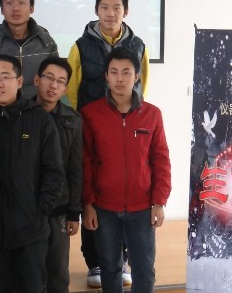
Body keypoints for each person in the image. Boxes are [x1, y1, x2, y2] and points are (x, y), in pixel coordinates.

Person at [66, 0, 149, 287]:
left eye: (116, 8)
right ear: (96, 10)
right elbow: (71, 90)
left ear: (126, 11)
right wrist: (76, 125)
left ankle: (122, 259)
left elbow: (142, 86)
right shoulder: (80, 46)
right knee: (91, 193)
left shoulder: (139, 46)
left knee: (123, 194)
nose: (110, 13)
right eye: (104, 7)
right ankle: (95, 263)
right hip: (90, 127)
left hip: (125, 126)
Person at [0, 55, 64, 292]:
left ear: (19, 81)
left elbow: (54, 172)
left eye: (5, 77)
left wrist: (40, 209)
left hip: (31, 231)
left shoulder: (40, 120)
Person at [82, 48, 171, 293]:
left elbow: (161, 160)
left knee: (144, 270)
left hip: (142, 207)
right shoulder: (90, 114)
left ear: (137, 76)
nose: (119, 78)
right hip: (104, 208)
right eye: (114, 72)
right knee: (110, 268)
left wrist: (159, 202)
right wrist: (87, 203)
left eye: (126, 72)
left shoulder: (152, 114)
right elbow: (85, 162)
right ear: (106, 76)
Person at [33, 58, 83, 293]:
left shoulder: (73, 120)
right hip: (28, 208)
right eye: (49, 78)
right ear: (37, 80)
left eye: (61, 82)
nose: (53, 85)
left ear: (65, 89)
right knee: (30, 271)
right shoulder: (21, 114)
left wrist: (74, 212)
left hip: (59, 209)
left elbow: (75, 169)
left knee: (58, 273)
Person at [0, 0, 58, 99]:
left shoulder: (47, 42)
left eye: (22, 3)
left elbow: (55, 78)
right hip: (2, 106)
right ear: (2, 10)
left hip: (37, 106)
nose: (16, 8)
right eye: (9, 3)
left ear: (31, 8)